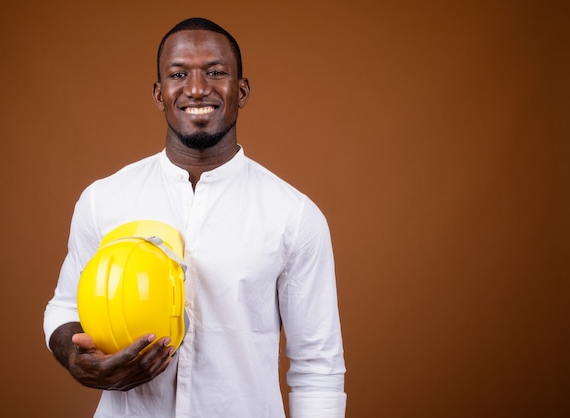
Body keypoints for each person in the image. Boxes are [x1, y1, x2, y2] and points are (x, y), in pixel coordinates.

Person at [43, 17, 346, 417]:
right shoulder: (103, 200)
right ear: (159, 93)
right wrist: (74, 358)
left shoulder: (293, 216)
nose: (198, 88)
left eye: (216, 72)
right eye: (179, 73)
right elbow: (65, 309)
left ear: (242, 90)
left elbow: (317, 367)